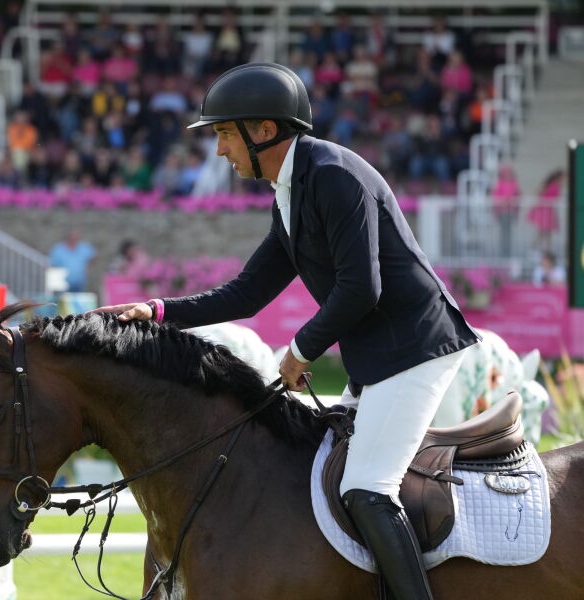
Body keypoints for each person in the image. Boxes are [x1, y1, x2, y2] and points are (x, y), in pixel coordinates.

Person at [94, 62, 479, 600]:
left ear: (265, 131)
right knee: (313, 471)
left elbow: (360, 288)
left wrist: (300, 351)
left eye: (227, 134)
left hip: (417, 351)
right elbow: (247, 293)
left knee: (367, 490)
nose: (221, 150)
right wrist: (157, 313)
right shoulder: (293, 190)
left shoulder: (333, 176)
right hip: (379, 360)